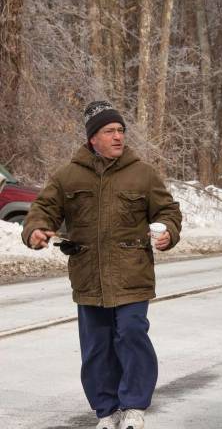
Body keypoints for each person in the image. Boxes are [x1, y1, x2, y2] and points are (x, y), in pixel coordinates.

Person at [21, 101, 182, 429]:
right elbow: (43, 209)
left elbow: (168, 211)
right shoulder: (68, 175)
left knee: (132, 333)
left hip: (132, 274)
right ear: (93, 137)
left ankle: (134, 405)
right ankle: (107, 411)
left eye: (121, 130)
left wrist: (169, 232)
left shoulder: (142, 173)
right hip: (88, 276)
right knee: (96, 348)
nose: (118, 136)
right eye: (110, 131)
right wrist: (35, 230)